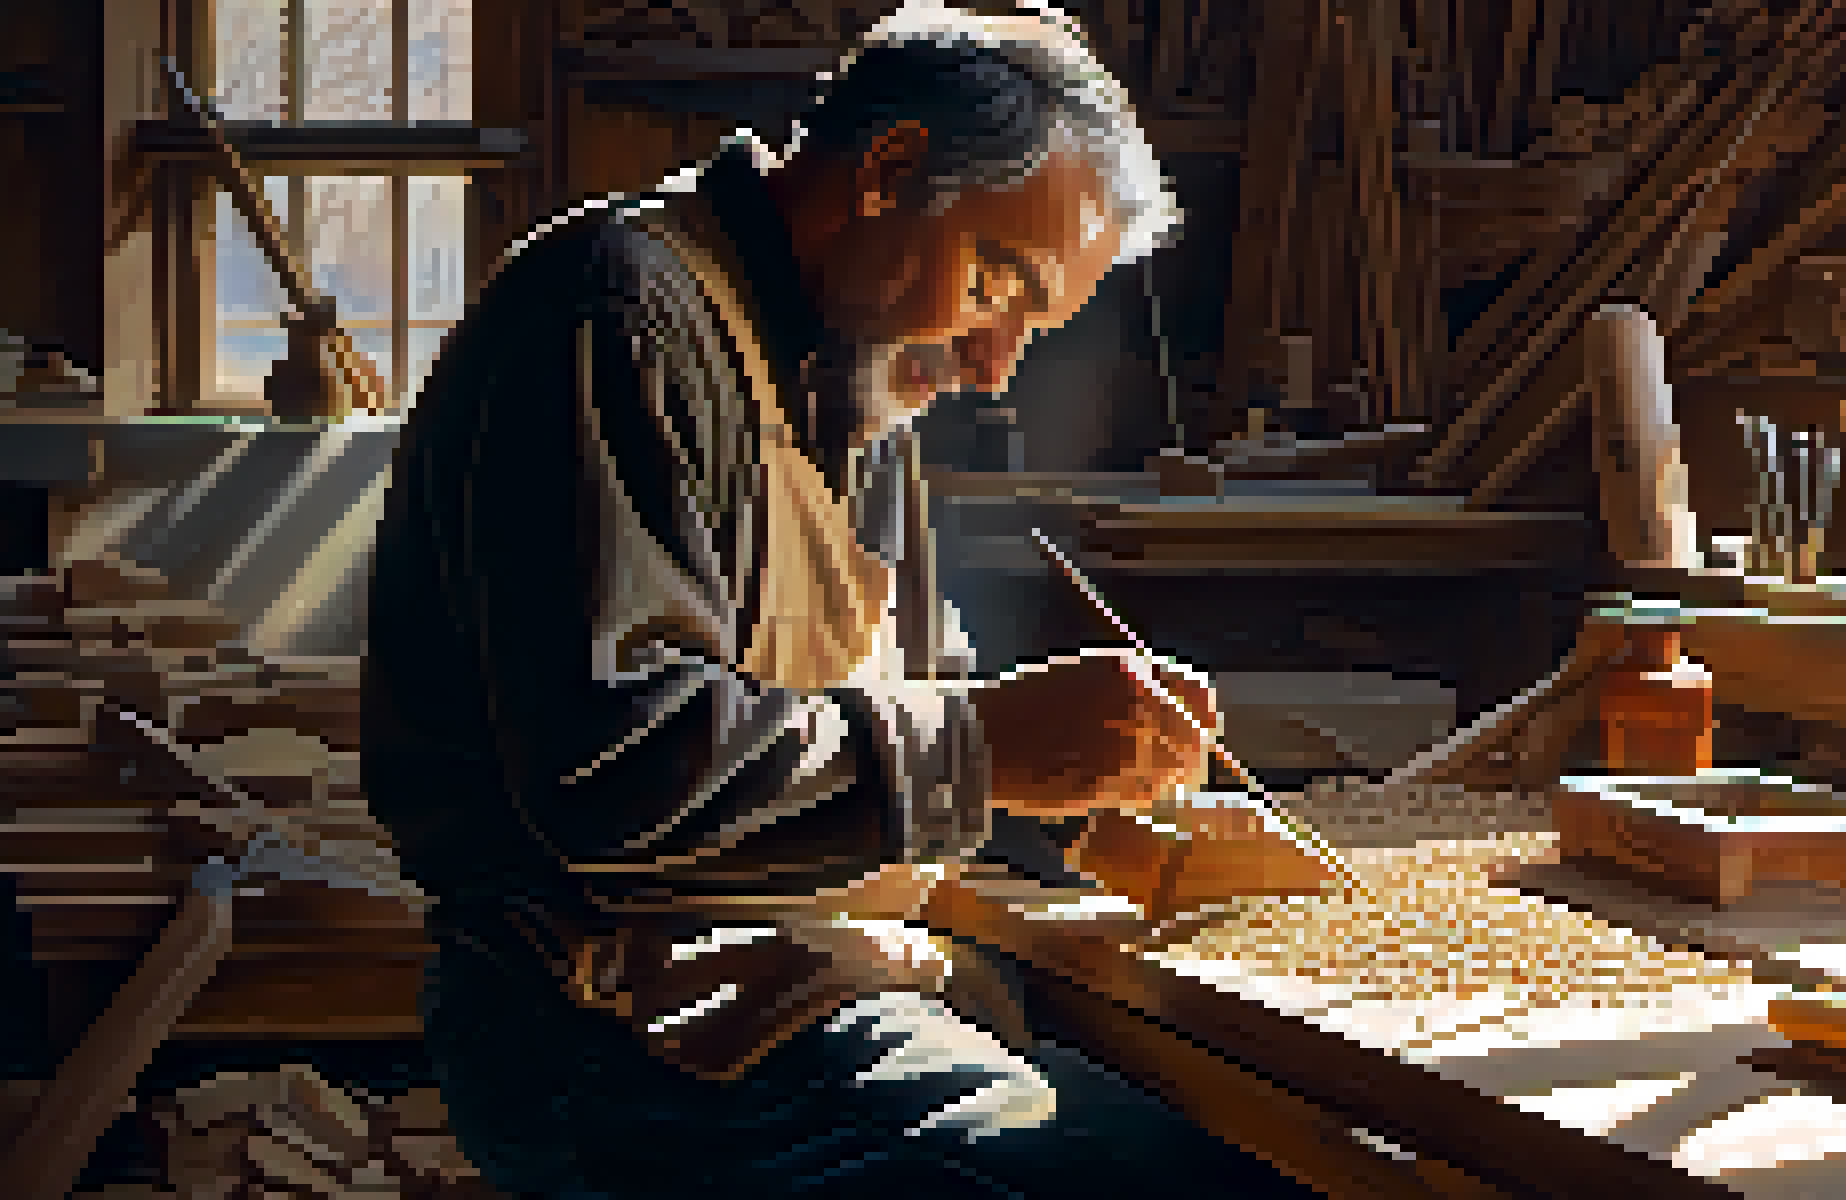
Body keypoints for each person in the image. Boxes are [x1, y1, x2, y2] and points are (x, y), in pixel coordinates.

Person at [362, 5, 1322, 1196]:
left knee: (1266, 1141)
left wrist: (1095, 797)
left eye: (1031, 325)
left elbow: (922, 707)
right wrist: (987, 750)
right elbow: (614, 768)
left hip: (806, 969)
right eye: (994, 284)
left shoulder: (857, 369)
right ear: (890, 169)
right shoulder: (616, 313)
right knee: (1134, 1182)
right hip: (607, 1018)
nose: (992, 364)